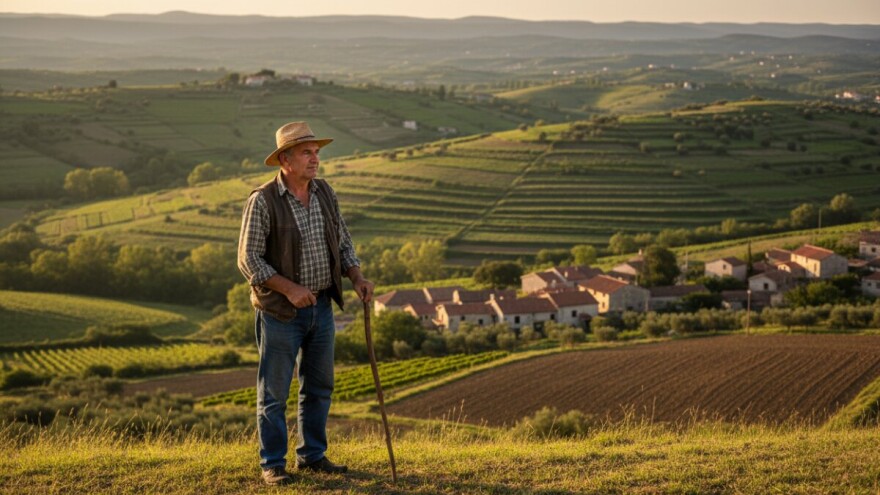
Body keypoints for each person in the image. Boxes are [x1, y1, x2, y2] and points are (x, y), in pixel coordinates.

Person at [237, 121, 374, 486]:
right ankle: (273, 464)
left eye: (316, 152)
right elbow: (248, 259)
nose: (315, 159)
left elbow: (344, 241)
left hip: (322, 308)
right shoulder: (263, 200)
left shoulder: (325, 192)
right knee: (274, 393)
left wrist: (356, 276)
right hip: (281, 313)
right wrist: (289, 289)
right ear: (285, 159)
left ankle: (312, 456)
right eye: (306, 152)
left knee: (319, 386)